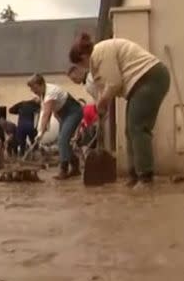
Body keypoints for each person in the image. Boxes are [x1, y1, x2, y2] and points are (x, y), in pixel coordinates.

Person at [69, 32, 171, 188]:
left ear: (83, 57)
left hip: (150, 78)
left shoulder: (100, 53)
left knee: (137, 127)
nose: (81, 69)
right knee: (130, 130)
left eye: (79, 65)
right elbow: (106, 88)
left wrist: (102, 102)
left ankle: (146, 178)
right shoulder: (97, 62)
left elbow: (114, 83)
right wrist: (101, 105)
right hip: (140, 83)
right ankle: (134, 176)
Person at [28, 74, 83, 179]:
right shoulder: (43, 95)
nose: (32, 91)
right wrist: (41, 131)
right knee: (62, 141)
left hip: (73, 112)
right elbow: (48, 113)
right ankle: (75, 166)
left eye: (33, 88)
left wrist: (40, 132)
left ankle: (64, 170)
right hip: (64, 115)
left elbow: (46, 113)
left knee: (62, 140)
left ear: (41, 84)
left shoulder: (50, 92)